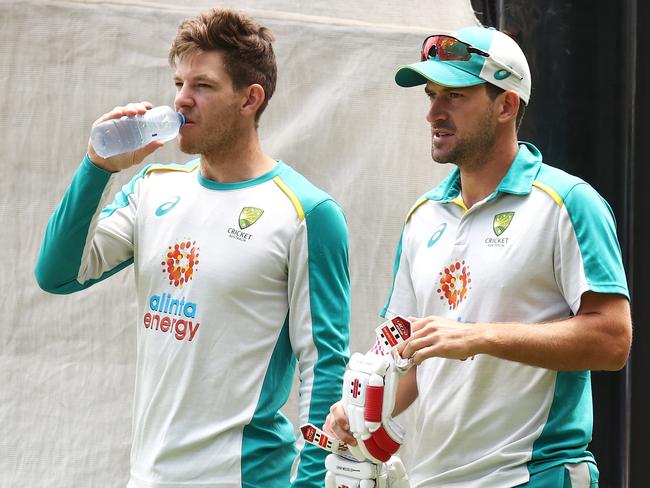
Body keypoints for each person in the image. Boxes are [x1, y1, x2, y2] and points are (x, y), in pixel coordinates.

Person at [34, 8, 350, 488]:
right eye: (178, 83)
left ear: (250, 99)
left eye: (202, 86)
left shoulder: (308, 212)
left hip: (242, 477)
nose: (181, 101)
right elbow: (56, 275)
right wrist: (97, 166)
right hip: (147, 477)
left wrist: (310, 484)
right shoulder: (152, 188)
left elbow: (324, 366)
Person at [326, 26, 632, 487]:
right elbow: (404, 356)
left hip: (534, 476)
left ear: (506, 104)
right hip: (431, 478)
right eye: (431, 95)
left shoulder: (569, 202)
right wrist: (361, 407)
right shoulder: (422, 217)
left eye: (455, 96)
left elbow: (612, 341)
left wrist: (478, 336)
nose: (433, 113)